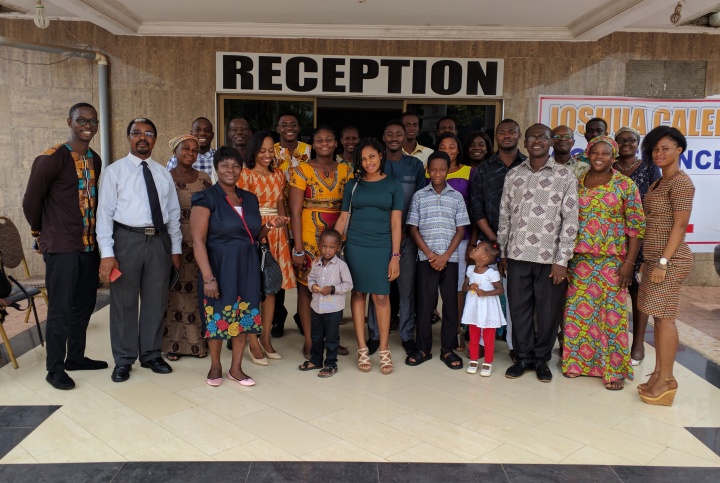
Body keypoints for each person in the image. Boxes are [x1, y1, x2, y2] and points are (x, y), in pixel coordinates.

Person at [22, 102, 108, 390]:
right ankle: (54, 368)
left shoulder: (95, 159)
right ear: (69, 122)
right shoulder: (51, 159)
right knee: (60, 308)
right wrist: (40, 233)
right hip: (61, 247)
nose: (88, 125)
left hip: (88, 247)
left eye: (93, 121)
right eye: (82, 120)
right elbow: (31, 201)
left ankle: (76, 357)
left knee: (84, 305)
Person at [190, 147, 288, 387]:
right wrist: (208, 277)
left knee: (245, 316)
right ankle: (215, 365)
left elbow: (253, 235)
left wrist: (270, 225)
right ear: (216, 168)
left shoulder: (249, 198)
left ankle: (236, 368)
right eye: (224, 165)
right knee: (217, 314)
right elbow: (198, 241)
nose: (230, 170)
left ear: (241, 169)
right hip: (219, 265)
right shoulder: (206, 197)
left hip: (248, 265)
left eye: (235, 166)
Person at [97, 117, 182, 383]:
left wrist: (175, 248)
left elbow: (173, 214)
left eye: (148, 133)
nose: (142, 137)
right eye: (137, 133)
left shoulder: (162, 172)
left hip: (158, 241)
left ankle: (151, 354)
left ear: (155, 139)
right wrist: (107, 253)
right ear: (129, 137)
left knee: (156, 301)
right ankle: (123, 359)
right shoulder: (114, 171)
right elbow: (104, 215)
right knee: (124, 302)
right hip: (126, 241)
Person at [562, 136, 645, 390]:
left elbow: (636, 227)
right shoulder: (577, 182)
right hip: (580, 260)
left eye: (605, 153)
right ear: (587, 154)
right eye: (595, 152)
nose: (599, 156)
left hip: (612, 261)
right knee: (578, 314)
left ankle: (614, 370)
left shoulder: (625, 185)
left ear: (614, 157)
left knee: (612, 316)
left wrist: (629, 263)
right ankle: (577, 363)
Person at [498, 123, 578, 382]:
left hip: (550, 258)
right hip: (517, 254)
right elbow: (505, 216)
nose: (536, 141)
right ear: (525, 142)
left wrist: (562, 260)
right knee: (519, 309)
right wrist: (502, 253)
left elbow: (571, 220)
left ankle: (542, 359)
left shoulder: (565, 176)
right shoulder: (514, 175)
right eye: (531, 137)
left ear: (551, 142)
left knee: (547, 312)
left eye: (542, 137)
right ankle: (522, 357)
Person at [335, 138, 403, 375]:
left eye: (372, 156)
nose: (368, 162)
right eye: (363, 159)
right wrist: (330, 247)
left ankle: (384, 349)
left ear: (381, 155)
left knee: (382, 298)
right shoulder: (352, 185)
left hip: (382, 246)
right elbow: (344, 217)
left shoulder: (394, 185)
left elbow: (396, 223)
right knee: (358, 293)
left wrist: (395, 256)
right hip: (356, 245)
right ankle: (362, 348)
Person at [637, 126, 694, 407]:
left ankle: (668, 380)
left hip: (669, 260)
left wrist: (662, 262)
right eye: (655, 149)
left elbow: (680, 226)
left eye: (665, 148)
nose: (659, 154)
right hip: (654, 259)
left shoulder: (681, 183)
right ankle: (660, 374)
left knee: (665, 318)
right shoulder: (658, 183)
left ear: (679, 150)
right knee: (657, 317)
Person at [289, 126, 353, 359]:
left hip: (339, 235)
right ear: (313, 144)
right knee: (307, 289)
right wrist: (297, 248)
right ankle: (310, 340)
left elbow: (350, 206)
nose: (324, 143)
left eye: (329, 139)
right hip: (308, 236)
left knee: (335, 288)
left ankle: (331, 340)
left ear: (336, 143)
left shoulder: (346, 170)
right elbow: (295, 212)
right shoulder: (301, 170)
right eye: (319, 140)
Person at [366, 120, 426, 358]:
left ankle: (406, 335)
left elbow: (420, 201)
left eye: (398, 134)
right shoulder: (374, 165)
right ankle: (373, 335)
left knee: (406, 288)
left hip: (406, 236)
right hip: (378, 236)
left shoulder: (415, 165)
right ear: (383, 136)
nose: (394, 137)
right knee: (377, 287)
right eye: (389, 134)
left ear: (405, 136)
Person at [468, 119, 527, 359]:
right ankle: (480, 342)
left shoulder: (528, 166)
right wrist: (496, 243)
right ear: (496, 136)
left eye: (511, 131)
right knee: (480, 294)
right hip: (488, 244)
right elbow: (477, 210)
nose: (506, 135)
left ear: (519, 134)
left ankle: (515, 345)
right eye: (501, 132)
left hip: (522, 245)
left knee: (515, 298)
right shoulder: (483, 168)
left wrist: (507, 244)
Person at [406, 151, 469, 369]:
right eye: (433, 169)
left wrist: (445, 256)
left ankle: (448, 349)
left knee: (450, 304)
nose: (438, 173)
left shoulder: (456, 197)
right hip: (426, 258)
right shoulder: (420, 196)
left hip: (449, 259)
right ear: (428, 171)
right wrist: (431, 255)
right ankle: (423, 348)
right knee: (424, 304)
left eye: (442, 169)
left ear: (448, 169)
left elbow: (461, 230)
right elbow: (413, 229)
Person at [237, 131, 296, 363]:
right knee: (253, 289)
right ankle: (252, 341)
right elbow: (241, 208)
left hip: (277, 234)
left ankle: (266, 338)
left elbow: (281, 203)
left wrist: (284, 227)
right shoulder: (245, 175)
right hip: (254, 231)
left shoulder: (279, 174)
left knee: (271, 288)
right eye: (262, 150)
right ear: (253, 151)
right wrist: (257, 231)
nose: (267, 155)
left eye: (271, 150)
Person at [162, 134, 212, 361]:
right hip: (173, 244)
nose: (190, 153)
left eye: (194, 150)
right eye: (185, 149)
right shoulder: (164, 177)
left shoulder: (204, 178)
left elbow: (214, 209)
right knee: (173, 293)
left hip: (200, 244)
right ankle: (173, 345)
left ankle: (197, 343)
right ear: (175, 151)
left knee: (196, 294)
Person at [614, 126, 661, 366]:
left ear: (638, 143)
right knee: (612, 290)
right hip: (611, 240)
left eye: (631, 140)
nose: (626, 143)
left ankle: (638, 343)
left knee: (638, 291)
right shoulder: (608, 168)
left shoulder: (651, 169)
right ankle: (611, 342)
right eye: (621, 140)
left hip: (641, 238)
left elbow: (654, 206)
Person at [436, 132, 473, 351]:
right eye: (443, 146)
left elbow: (474, 207)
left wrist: (473, 241)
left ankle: (457, 330)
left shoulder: (469, 172)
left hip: (460, 239)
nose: (448, 150)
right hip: (434, 239)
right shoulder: (429, 171)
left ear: (458, 149)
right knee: (434, 287)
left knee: (457, 287)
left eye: (452, 146)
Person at [299, 229, 353, 378]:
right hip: (316, 307)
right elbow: (310, 280)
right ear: (319, 245)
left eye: (331, 247)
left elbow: (349, 285)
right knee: (316, 336)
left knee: (331, 337)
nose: (327, 250)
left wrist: (333, 289)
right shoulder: (316, 263)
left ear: (338, 248)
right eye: (324, 246)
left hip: (333, 309)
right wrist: (313, 287)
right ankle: (316, 360)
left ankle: (330, 364)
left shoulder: (341, 265)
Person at [462, 242, 506, 377]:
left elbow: (500, 290)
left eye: (477, 249)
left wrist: (485, 293)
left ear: (485, 258)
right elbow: (464, 287)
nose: (473, 249)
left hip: (488, 308)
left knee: (488, 337)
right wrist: (470, 287)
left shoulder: (491, 273)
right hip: (474, 307)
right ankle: (474, 360)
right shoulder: (470, 269)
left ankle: (488, 362)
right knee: (473, 335)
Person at [275, 112, 311, 181]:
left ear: (299, 128)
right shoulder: (271, 151)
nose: (289, 128)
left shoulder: (309, 150)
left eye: (293, 125)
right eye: (284, 125)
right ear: (278, 129)